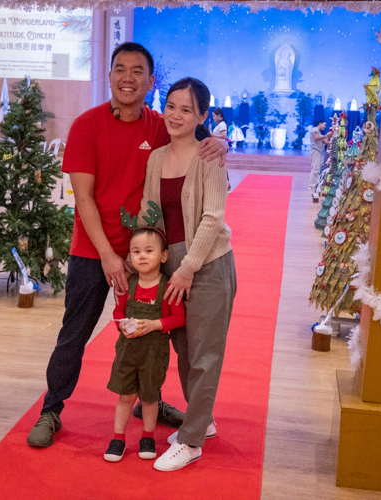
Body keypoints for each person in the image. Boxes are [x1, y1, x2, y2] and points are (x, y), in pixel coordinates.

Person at [26, 42, 227, 449]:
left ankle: (146, 401)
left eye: (138, 71)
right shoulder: (87, 125)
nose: (128, 78)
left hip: (148, 257)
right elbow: (83, 199)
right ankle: (51, 408)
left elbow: (203, 141)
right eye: (120, 69)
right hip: (93, 252)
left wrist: (223, 145)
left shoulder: (158, 123)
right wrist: (107, 256)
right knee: (75, 332)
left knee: (152, 335)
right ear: (110, 76)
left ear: (151, 81)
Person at [136, 77, 237, 471]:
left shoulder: (209, 155)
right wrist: (147, 258)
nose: (176, 115)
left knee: (204, 353)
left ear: (201, 116)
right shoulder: (156, 157)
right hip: (171, 262)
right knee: (181, 346)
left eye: (186, 109)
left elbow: (212, 217)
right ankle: (203, 421)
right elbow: (149, 209)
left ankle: (191, 440)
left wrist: (188, 268)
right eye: (171, 106)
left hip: (208, 262)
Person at [104, 227, 186, 462]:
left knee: (150, 397)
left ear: (163, 256)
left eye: (149, 251)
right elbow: (118, 311)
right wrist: (121, 326)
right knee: (125, 396)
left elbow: (178, 318)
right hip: (127, 352)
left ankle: (147, 436)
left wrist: (154, 325)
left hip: (154, 353)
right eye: (136, 251)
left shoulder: (169, 286)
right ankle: (118, 437)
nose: (142, 256)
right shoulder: (126, 285)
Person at [308, 120, 332, 200]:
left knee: (317, 169)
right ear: (320, 123)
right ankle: (312, 186)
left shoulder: (319, 132)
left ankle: (314, 185)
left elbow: (324, 141)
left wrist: (331, 142)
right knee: (315, 169)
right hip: (315, 151)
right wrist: (325, 135)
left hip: (318, 151)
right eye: (324, 125)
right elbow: (316, 138)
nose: (324, 126)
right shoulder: (315, 129)